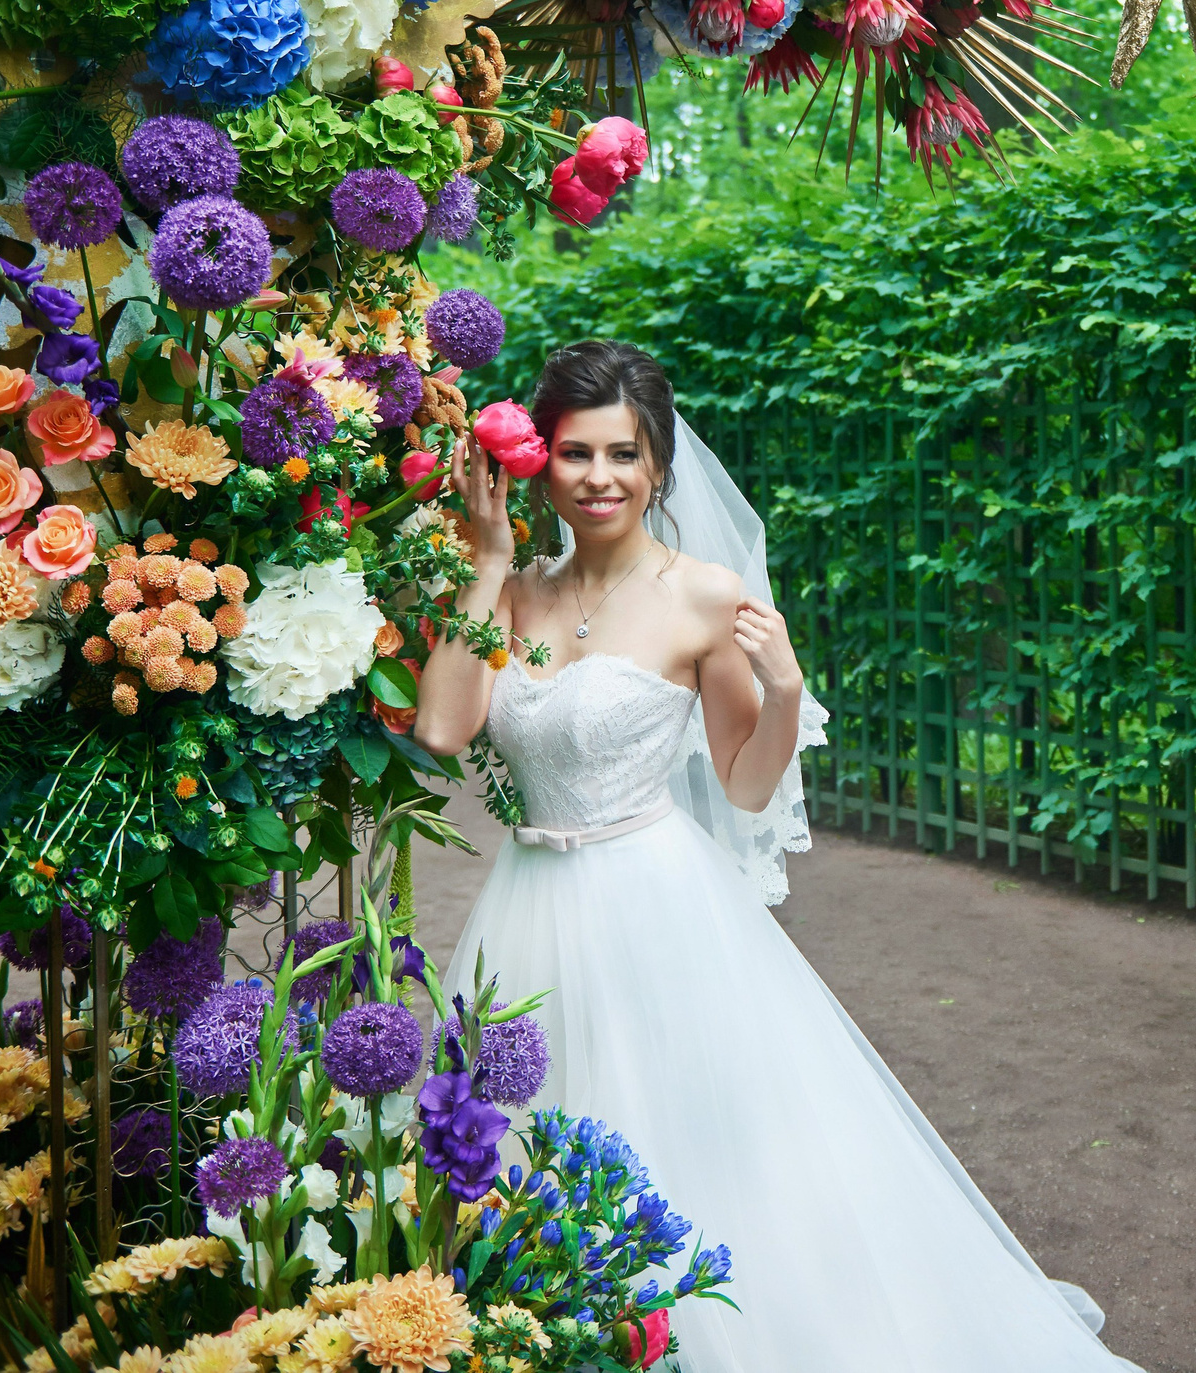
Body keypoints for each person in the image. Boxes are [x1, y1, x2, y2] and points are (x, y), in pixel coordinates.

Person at [413, 340, 1136, 1372]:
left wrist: (785, 686)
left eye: (624, 452)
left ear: (658, 464)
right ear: (541, 464)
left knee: (693, 1141)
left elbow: (745, 784)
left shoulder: (703, 596)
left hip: (653, 900)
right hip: (527, 900)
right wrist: (485, 560)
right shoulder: (516, 590)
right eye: (575, 454)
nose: (600, 477)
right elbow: (444, 727)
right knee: (515, 1146)